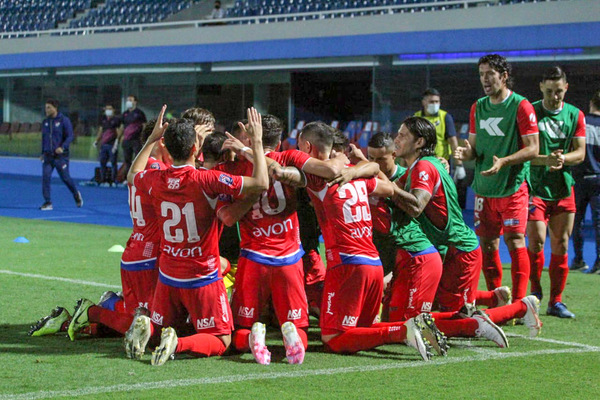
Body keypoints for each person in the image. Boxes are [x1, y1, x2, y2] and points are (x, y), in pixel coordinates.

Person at [273, 121, 447, 360]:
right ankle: (407, 328)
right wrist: (358, 168)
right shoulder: (355, 175)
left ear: (307, 145)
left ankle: (403, 330)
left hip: (348, 265)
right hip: (374, 264)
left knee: (332, 339)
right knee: (360, 332)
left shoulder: (317, 177)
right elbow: (387, 188)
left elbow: (288, 174)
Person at [124, 106, 269, 366]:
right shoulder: (207, 179)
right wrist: (256, 143)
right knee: (221, 340)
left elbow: (132, 175)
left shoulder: (156, 178)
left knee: (164, 328)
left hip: (167, 277)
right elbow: (261, 182)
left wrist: (151, 139)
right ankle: (178, 344)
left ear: (166, 147)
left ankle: (153, 329)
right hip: (201, 276)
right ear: (195, 148)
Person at [389, 118, 511, 312]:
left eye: (402, 135)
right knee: (435, 302)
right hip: (448, 249)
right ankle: (493, 298)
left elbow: (416, 206)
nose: (397, 139)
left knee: (457, 320)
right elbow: (391, 188)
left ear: (419, 142)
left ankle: (520, 308)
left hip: (460, 251)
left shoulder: (424, 167)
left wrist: (387, 188)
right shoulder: (421, 166)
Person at [455, 54, 539, 301]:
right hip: (484, 188)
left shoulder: (521, 105)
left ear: (504, 76)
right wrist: (464, 152)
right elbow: (473, 148)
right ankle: (496, 300)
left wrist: (504, 161)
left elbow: (533, 148)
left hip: (512, 187)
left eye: (489, 74)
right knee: (488, 245)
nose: (485, 79)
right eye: (481, 74)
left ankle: (521, 303)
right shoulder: (478, 107)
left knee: (515, 242)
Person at [527, 67, 586, 318]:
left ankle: (556, 302)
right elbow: (523, 151)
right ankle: (536, 292)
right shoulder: (529, 111)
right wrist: (544, 160)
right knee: (537, 240)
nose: (554, 97)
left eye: (559, 91)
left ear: (566, 88)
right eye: (549, 91)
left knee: (561, 243)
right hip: (535, 187)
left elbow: (580, 152)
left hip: (563, 188)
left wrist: (564, 159)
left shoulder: (575, 114)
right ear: (541, 87)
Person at [572, 89, 600, 274]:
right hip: (599, 179)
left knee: (576, 221)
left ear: (591, 103)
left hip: (579, 178)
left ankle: (579, 259)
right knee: (599, 222)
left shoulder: (581, 122)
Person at [40, 99, 82, 211]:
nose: (46, 110)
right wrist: (42, 152)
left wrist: (62, 147)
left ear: (55, 108)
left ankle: (75, 194)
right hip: (48, 156)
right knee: (46, 177)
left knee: (65, 178)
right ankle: (48, 202)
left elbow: (70, 136)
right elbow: (44, 138)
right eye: (46, 107)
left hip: (60, 157)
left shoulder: (64, 120)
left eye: (48, 107)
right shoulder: (45, 122)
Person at [414, 88, 465, 180]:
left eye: (437, 101)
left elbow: (453, 143)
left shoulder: (445, 117)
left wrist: (459, 165)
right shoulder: (416, 118)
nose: (435, 104)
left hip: (441, 164)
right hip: (420, 164)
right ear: (424, 102)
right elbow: (409, 143)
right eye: (431, 102)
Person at [94, 104, 122, 186]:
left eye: (110, 109)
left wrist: (117, 142)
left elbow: (118, 132)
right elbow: (101, 131)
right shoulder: (103, 120)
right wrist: (96, 141)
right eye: (107, 109)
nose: (108, 110)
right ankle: (103, 180)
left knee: (113, 163)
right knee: (102, 162)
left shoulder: (116, 120)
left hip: (112, 145)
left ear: (113, 110)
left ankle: (113, 181)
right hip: (104, 145)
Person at [121, 95, 147, 174]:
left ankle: (137, 176)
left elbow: (144, 126)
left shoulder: (140, 113)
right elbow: (122, 126)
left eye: (130, 100)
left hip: (136, 140)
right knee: (127, 160)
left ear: (135, 102)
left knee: (137, 159)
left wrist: (143, 137)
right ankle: (127, 178)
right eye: (128, 100)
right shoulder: (125, 114)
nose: (128, 101)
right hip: (126, 141)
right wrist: (120, 137)